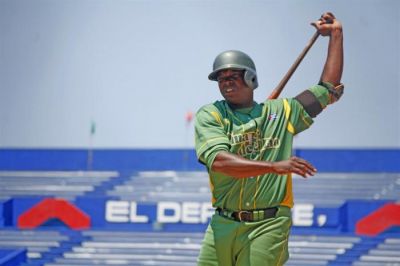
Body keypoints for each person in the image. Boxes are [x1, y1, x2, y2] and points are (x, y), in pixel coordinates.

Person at [194, 12, 344, 266]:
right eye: (221, 79)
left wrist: (336, 36)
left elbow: (328, 90)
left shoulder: (282, 112)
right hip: (223, 223)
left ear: (251, 78)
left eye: (233, 76)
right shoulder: (212, 114)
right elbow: (219, 162)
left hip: (269, 223)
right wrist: (274, 166)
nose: (226, 83)